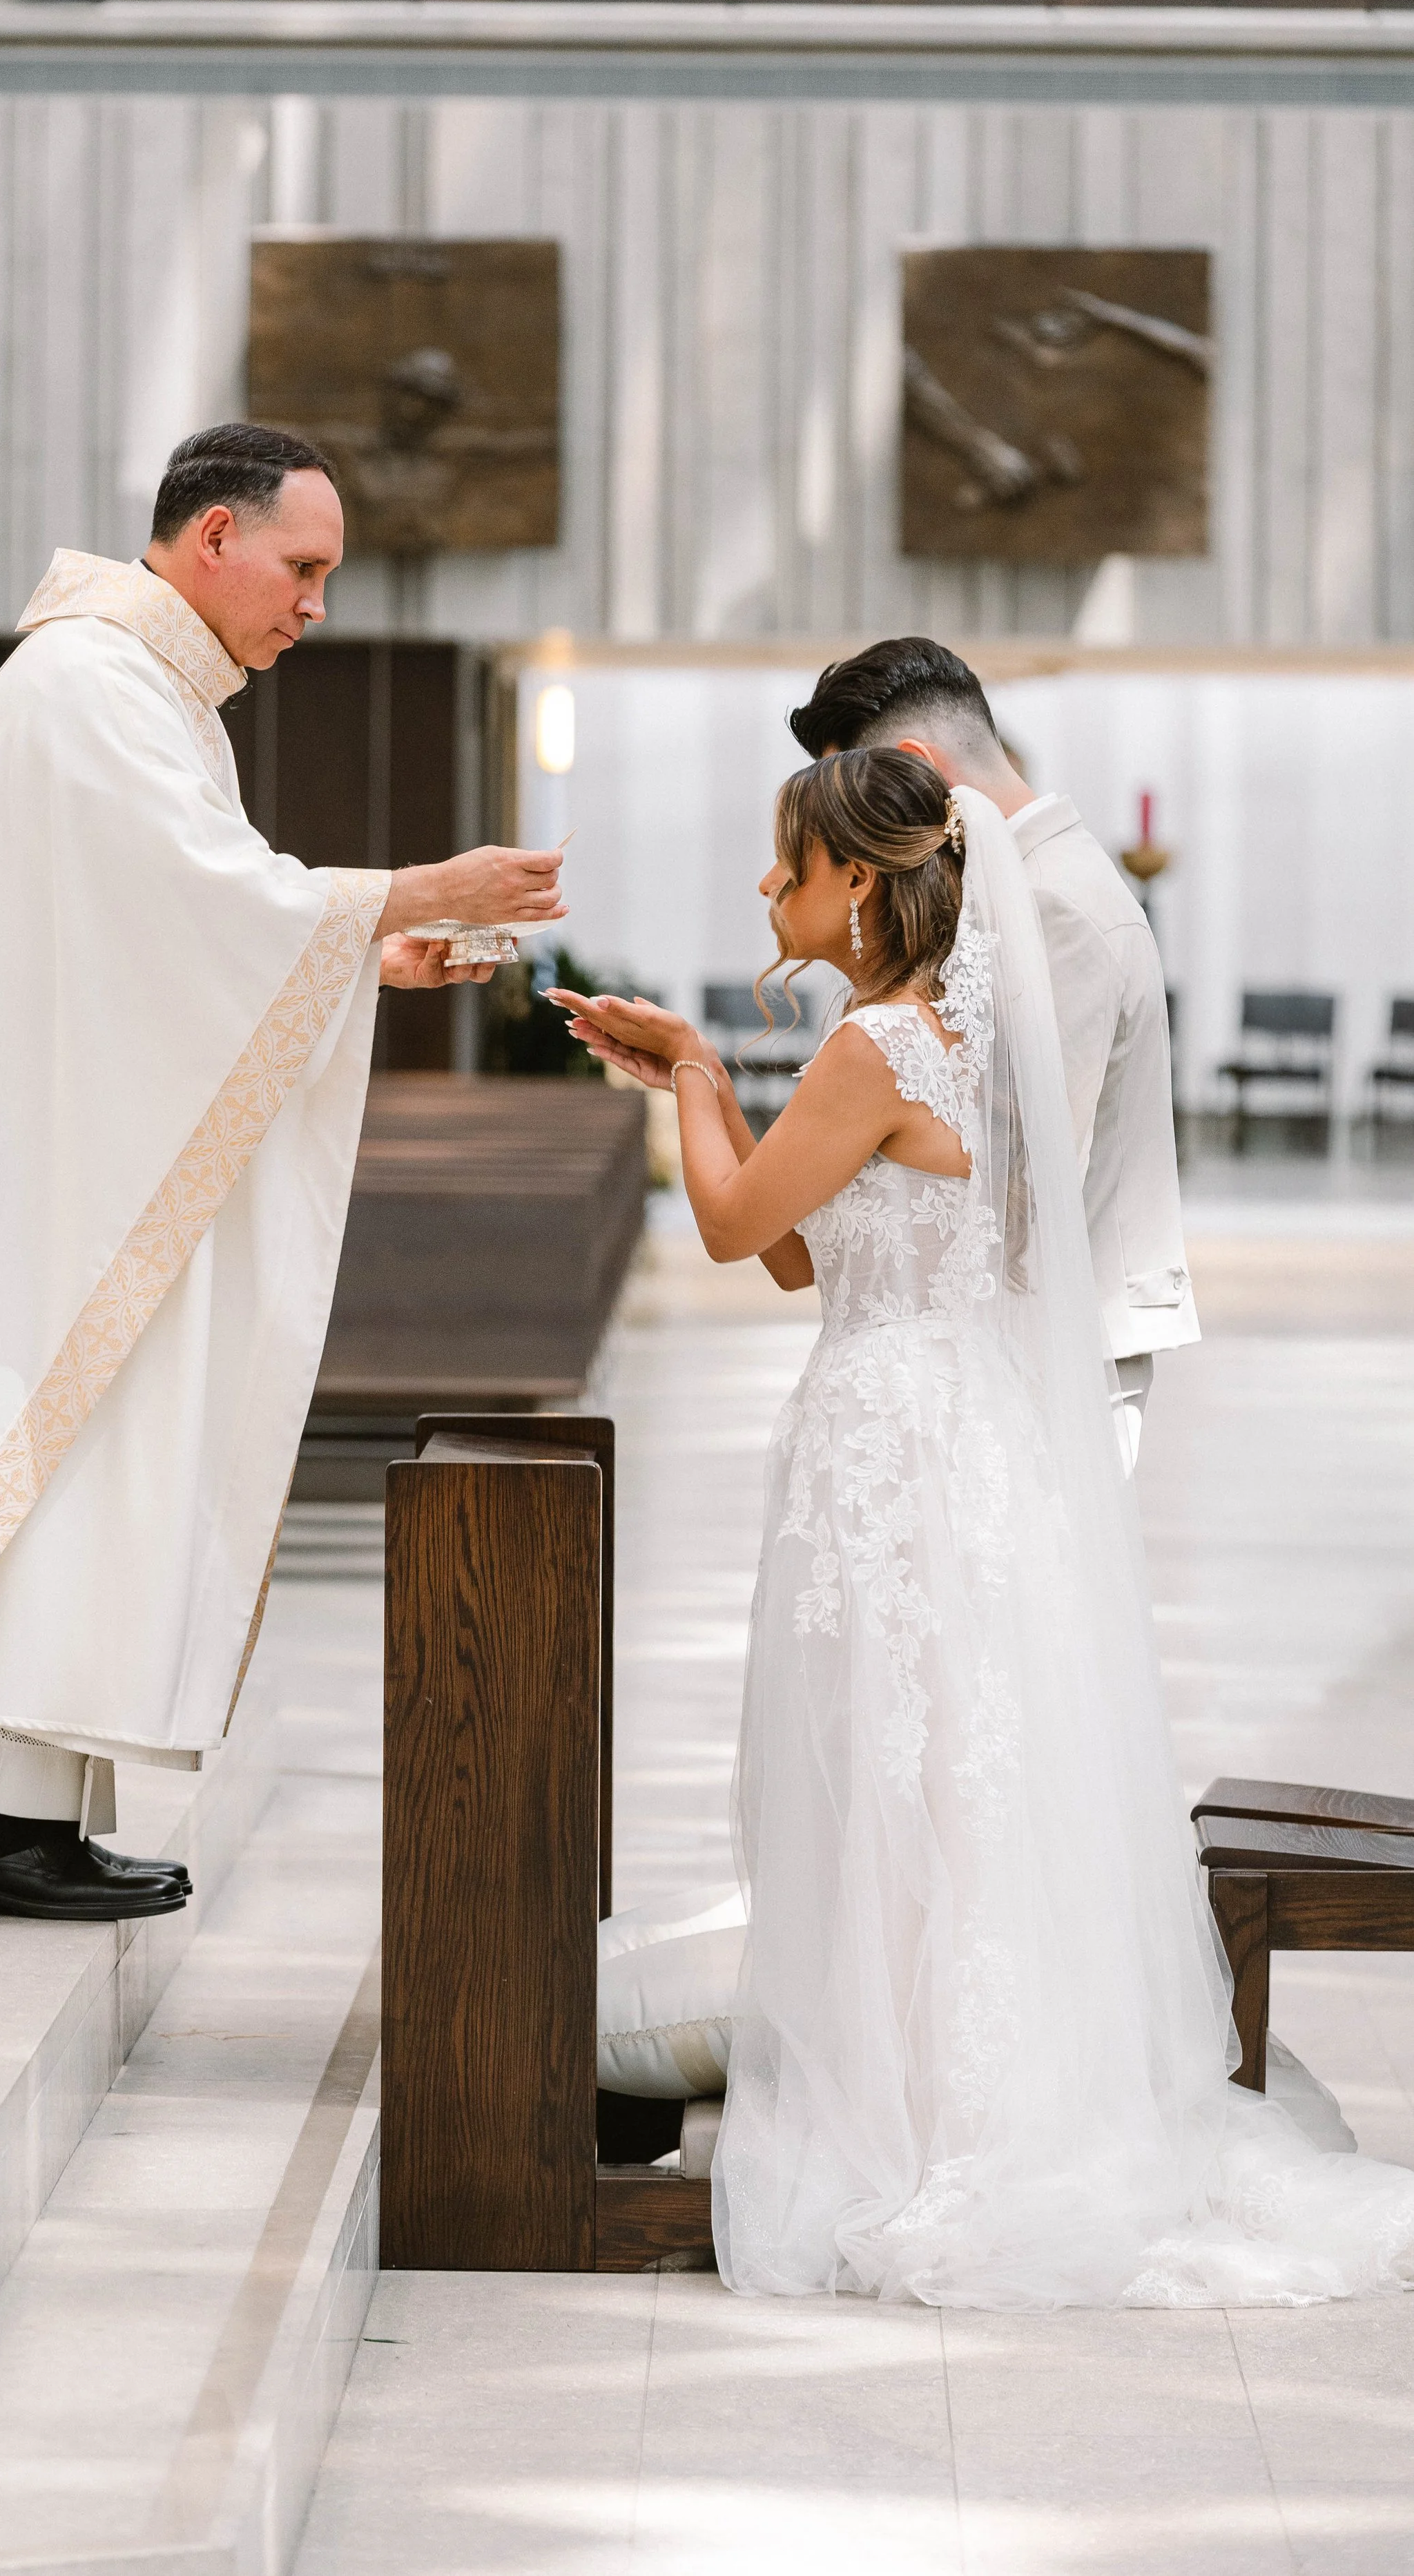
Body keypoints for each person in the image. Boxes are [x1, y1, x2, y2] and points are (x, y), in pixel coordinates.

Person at [552, 752, 1414, 2308]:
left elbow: (740, 1230)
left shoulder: (875, 1045)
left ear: (861, 884)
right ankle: (948, 2089)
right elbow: (810, 1263)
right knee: (939, 1785)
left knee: (891, 1788)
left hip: (887, 1450)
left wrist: (687, 1073)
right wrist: (710, 1094)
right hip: (947, 1448)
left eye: (787, 866)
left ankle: (910, 2120)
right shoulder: (950, 1043)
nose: (767, 890)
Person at [0, 420, 563, 1923]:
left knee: (51, 1472)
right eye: (301, 567)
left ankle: (22, 1822)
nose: (315, 603)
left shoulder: (144, 692)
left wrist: (364, 952)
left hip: (53, 1146)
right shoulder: (91, 687)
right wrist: (404, 888)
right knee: (22, 1464)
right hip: (26, 1176)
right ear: (212, 543)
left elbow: (164, 940)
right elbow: (195, 908)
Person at [787, 637, 1194, 1466]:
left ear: (911, 764)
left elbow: (1023, 1171)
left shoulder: (1054, 906)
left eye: (857, 794)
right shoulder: (1023, 884)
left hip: (1047, 1342)